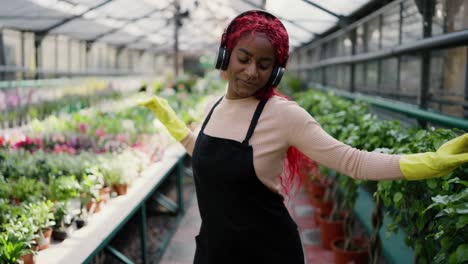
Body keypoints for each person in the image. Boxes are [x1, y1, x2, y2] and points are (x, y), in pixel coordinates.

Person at [138, 10, 468, 264]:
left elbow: (351, 160)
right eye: (244, 58)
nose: (252, 71)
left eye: (264, 64)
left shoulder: (282, 115)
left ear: (277, 71)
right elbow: (211, 163)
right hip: (213, 251)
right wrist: (179, 130)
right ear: (225, 56)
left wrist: (427, 163)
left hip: (265, 253)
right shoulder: (214, 106)